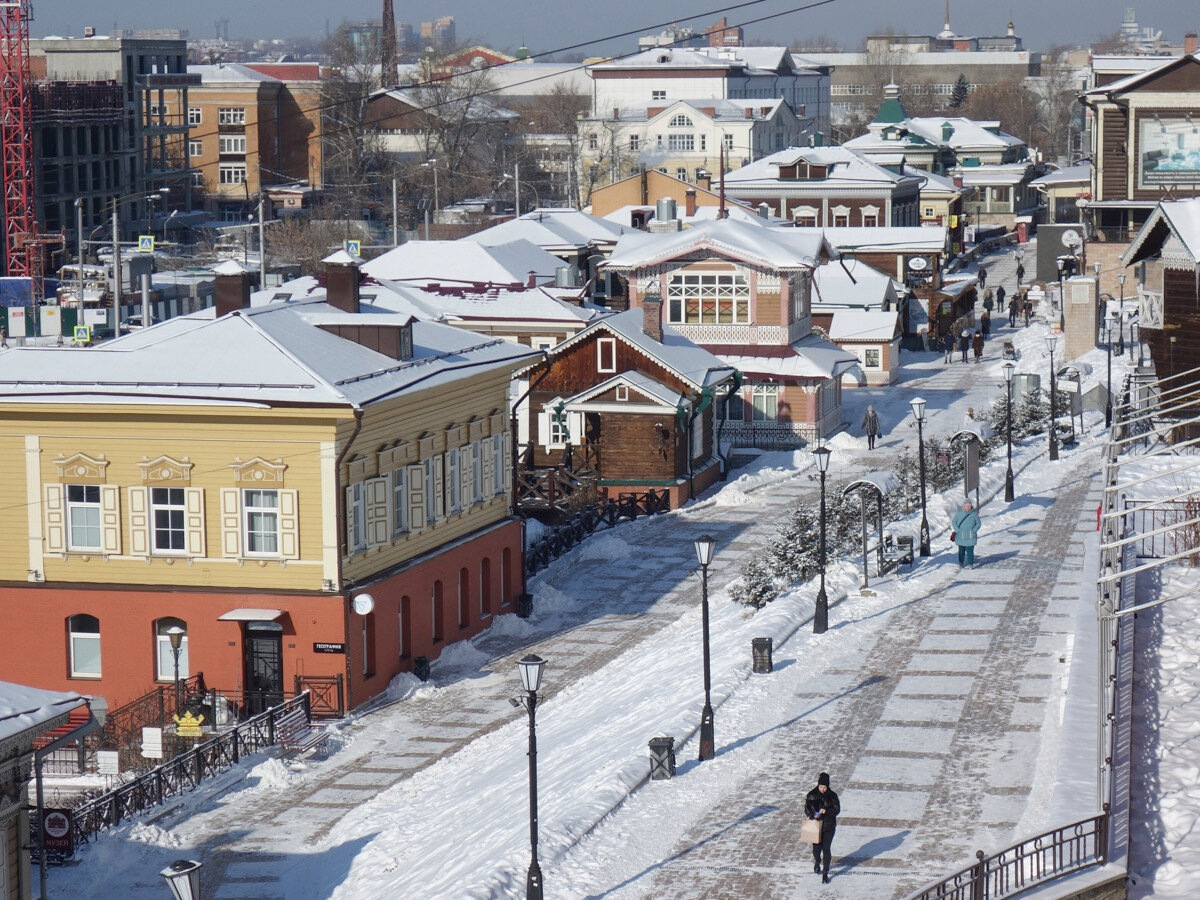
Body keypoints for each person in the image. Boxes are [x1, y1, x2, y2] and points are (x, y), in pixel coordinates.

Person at [805, 772, 841, 883]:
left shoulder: (832, 796)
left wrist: (826, 811)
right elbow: (806, 809)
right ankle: (817, 861)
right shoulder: (811, 795)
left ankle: (825, 873)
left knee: (826, 849)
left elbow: (837, 810)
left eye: (825, 787)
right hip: (815, 826)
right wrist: (812, 814)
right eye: (821, 787)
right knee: (816, 849)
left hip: (829, 826)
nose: (822, 789)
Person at [952, 501, 982, 567]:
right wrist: (957, 530)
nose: (967, 507)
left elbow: (978, 523)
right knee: (961, 551)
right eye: (966, 506)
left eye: (969, 506)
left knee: (970, 551)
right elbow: (954, 522)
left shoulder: (974, 514)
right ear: (963, 506)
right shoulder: (959, 514)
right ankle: (961, 562)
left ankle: (971, 563)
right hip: (961, 536)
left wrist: (974, 530)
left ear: (971, 506)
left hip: (971, 536)